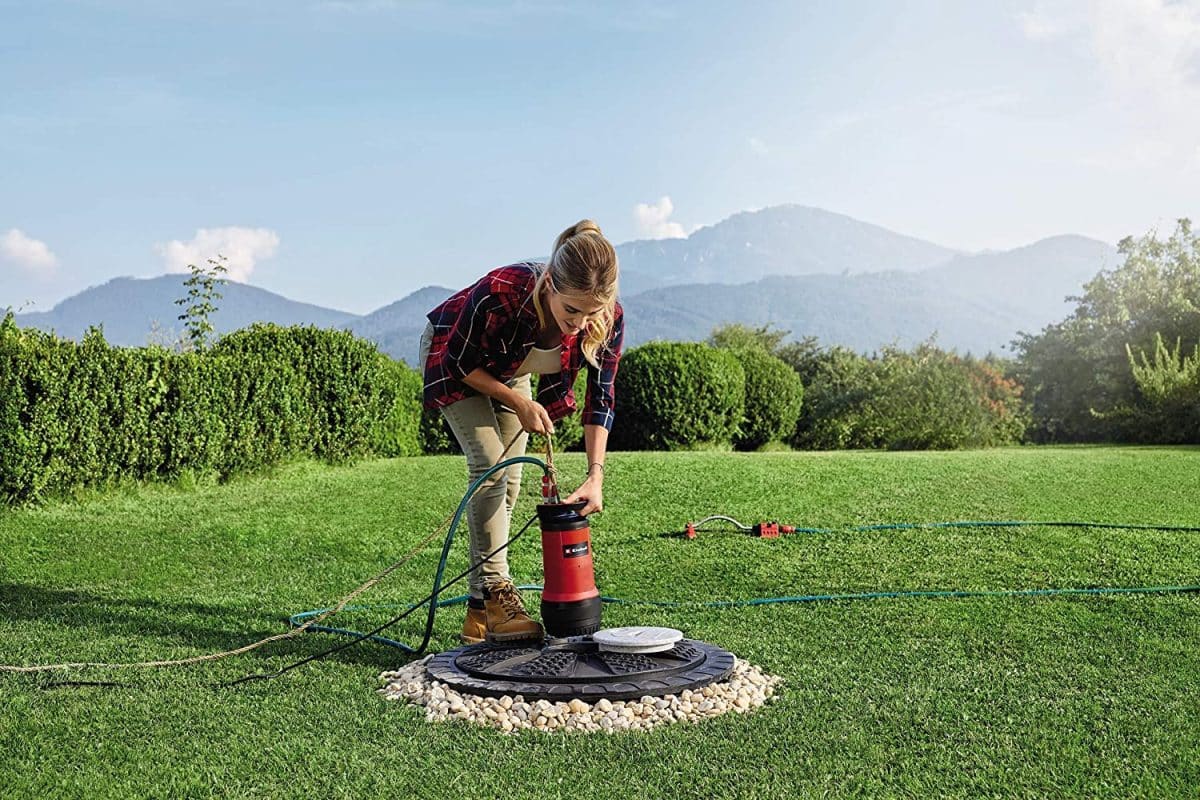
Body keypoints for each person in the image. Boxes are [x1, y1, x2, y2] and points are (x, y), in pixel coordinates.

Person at [419, 219, 623, 644]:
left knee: (510, 482)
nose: (581, 324)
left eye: (592, 313)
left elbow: (600, 398)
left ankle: (480, 614)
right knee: (490, 466)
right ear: (548, 284)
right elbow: (459, 362)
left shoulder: (607, 319)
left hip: (511, 370)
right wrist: (518, 403)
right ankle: (497, 594)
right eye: (571, 310)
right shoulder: (503, 292)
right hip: (457, 358)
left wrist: (595, 475)